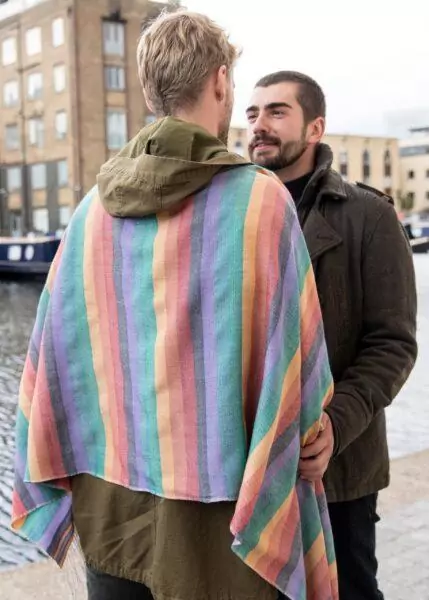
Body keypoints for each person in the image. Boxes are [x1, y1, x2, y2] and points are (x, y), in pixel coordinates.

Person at [11, 15, 338, 600]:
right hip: (220, 527)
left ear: (147, 92)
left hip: (112, 508)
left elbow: (51, 366)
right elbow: (297, 374)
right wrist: (311, 430)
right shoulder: (260, 202)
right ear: (220, 82)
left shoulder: (90, 213)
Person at [246, 70, 418, 600]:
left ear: (315, 127)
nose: (259, 125)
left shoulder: (369, 214)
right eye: (252, 114)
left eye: (277, 112)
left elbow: (393, 343)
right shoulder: (235, 212)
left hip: (341, 469)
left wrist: (335, 426)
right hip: (253, 467)